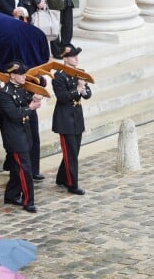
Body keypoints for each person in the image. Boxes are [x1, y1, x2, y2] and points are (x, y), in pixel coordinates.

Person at [0, 61, 42, 213]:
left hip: (24, 134)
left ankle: (11, 194)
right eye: (21, 74)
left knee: (17, 169)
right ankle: (28, 201)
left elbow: (25, 103)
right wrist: (31, 107)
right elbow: (14, 114)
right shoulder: (5, 93)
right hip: (15, 137)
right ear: (13, 75)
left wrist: (34, 100)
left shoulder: (21, 88)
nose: (24, 77)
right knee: (25, 170)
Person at [53, 44, 92, 195]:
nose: (76, 59)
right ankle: (72, 184)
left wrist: (84, 89)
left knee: (73, 152)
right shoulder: (59, 76)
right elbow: (62, 97)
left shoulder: (79, 73)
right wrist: (78, 89)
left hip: (76, 117)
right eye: (73, 56)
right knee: (70, 153)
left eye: (76, 55)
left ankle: (61, 177)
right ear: (64, 58)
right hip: (65, 119)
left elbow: (88, 94)